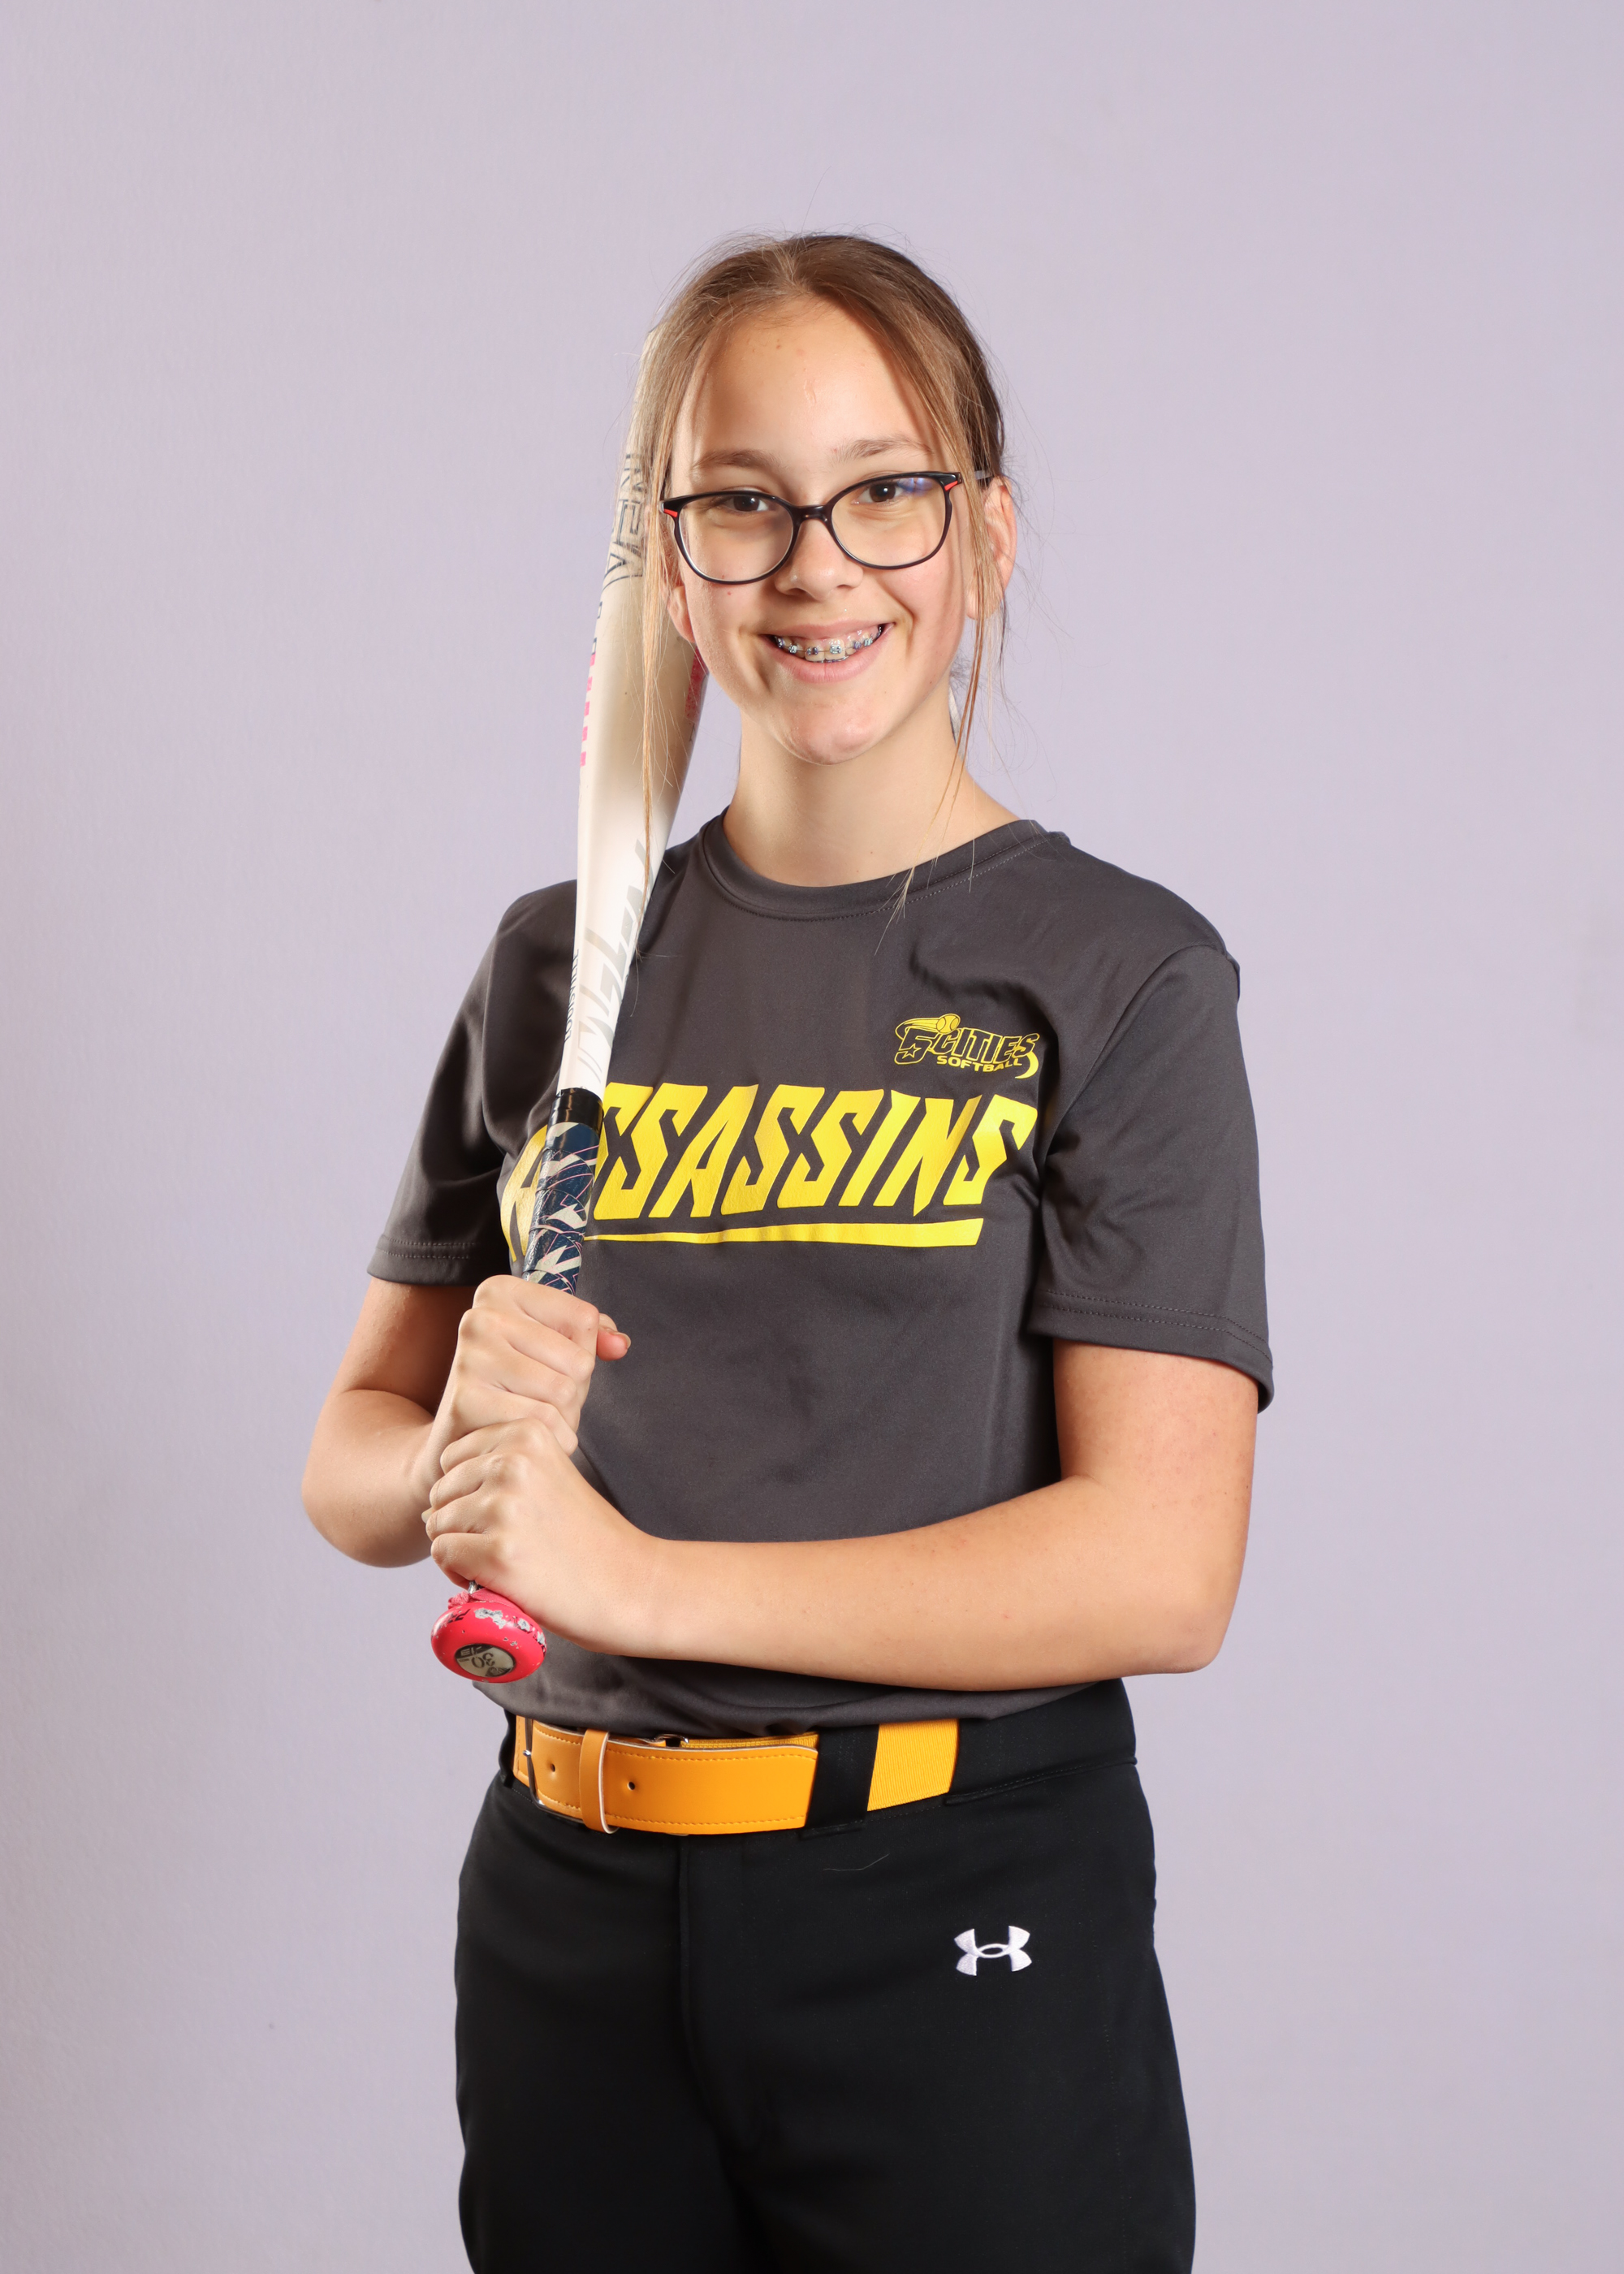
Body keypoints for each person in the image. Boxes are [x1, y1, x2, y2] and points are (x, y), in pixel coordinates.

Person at [303, 232, 1272, 2274]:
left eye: (883, 489)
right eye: (742, 500)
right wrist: (458, 1449)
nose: (817, 564)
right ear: (668, 564)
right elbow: (352, 1461)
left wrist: (632, 1576)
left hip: (947, 1888)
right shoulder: (558, 963)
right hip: (568, 1898)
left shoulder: (1117, 973)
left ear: (983, 532)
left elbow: (1160, 1566)